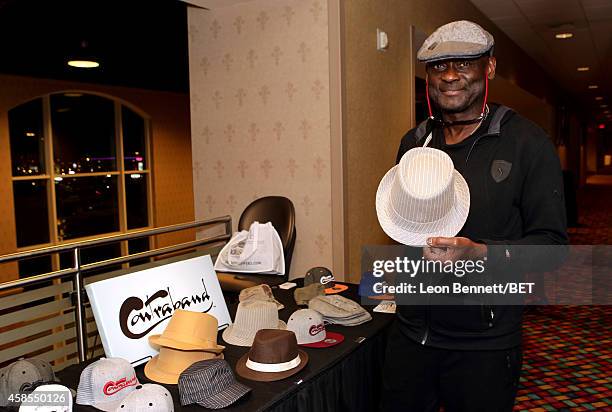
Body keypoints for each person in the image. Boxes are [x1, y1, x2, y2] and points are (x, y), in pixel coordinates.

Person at [380, 21, 568, 411]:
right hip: (412, 334)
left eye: (464, 64)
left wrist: (480, 253)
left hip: (484, 343)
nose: (450, 75)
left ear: (490, 68)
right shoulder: (414, 143)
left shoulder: (527, 144)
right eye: (438, 66)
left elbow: (552, 250)